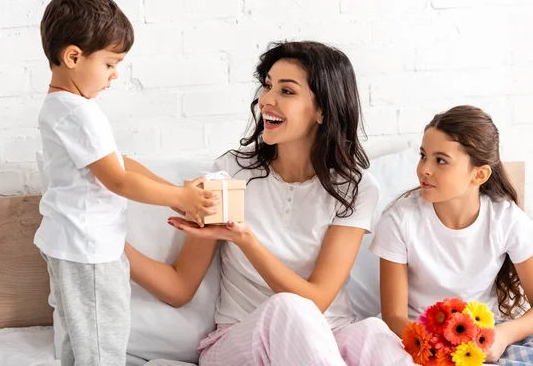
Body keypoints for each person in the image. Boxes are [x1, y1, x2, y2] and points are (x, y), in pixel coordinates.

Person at [125, 41, 416, 365]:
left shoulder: (354, 188)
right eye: (267, 86)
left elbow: (317, 300)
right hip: (240, 343)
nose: (267, 100)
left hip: (330, 339)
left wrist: (244, 238)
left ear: (322, 110)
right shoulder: (232, 173)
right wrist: (108, 245)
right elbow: (179, 287)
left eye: (286, 91)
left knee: (375, 334)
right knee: (288, 309)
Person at [36, 0, 217, 366]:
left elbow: (121, 164)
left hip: (72, 244)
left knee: (78, 337)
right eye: (110, 63)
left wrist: (173, 192)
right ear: (73, 57)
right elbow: (118, 181)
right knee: (102, 343)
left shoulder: (63, 107)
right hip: (90, 251)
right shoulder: (79, 113)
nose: (116, 74)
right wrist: (181, 200)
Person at [370, 105, 533, 364]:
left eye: (441, 160)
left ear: (479, 174)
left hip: (486, 335)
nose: (424, 169)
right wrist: (437, 347)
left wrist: (502, 335)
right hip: (421, 337)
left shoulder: (505, 218)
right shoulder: (399, 220)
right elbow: (393, 316)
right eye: (423, 155)